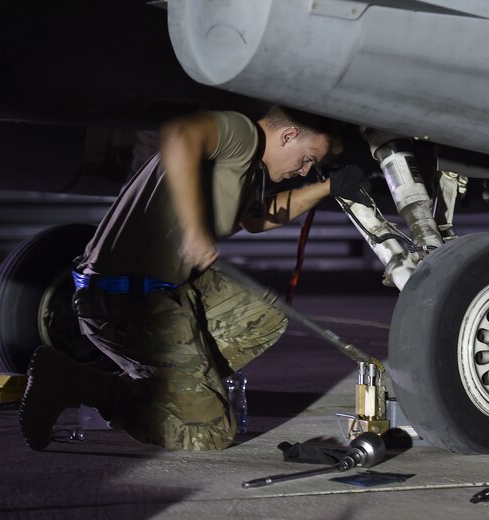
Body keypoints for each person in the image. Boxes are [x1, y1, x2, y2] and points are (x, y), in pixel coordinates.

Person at [19, 106, 368, 451]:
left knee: (264, 316)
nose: (305, 171)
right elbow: (179, 135)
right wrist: (193, 230)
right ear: (288, 135)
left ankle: (175, 386)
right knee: (212, 434)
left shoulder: (246, 167)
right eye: (307, 159)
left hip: (166, 292)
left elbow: (257, 220)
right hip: (122, 300)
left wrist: (328, 188)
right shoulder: (241, 133)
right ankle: (82, 384)